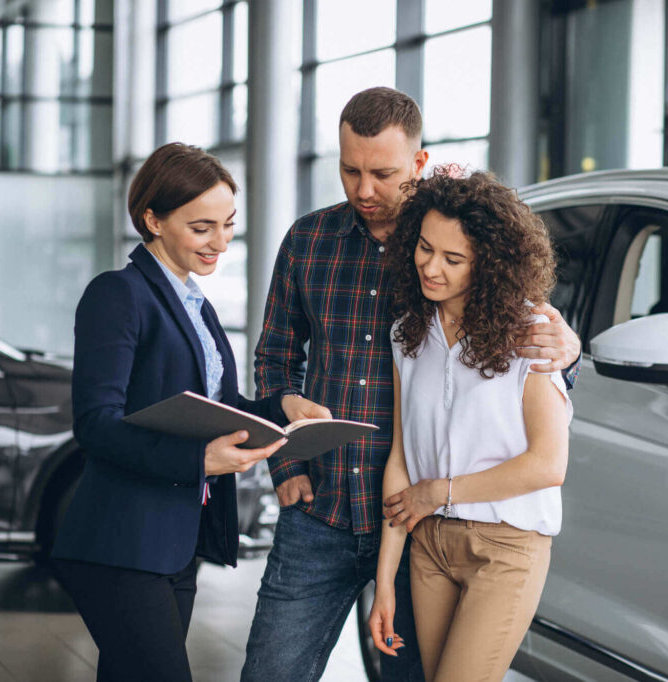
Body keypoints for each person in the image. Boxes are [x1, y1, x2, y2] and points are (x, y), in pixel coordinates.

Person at [242, 87, 581, 682]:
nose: (363, 189)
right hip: (322, 509)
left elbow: (521, 343)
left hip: (417, 525)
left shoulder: (459, 242)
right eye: (349, 170)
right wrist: (286, 467)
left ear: (419, 164)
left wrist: (570, 349)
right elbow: (273, 355)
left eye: (382, 173)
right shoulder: (309, 243)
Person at [51, 142, 302, 682]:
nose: (221, 242)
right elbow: (96, 423)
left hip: (173, 547)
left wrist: (284, 409)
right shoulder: (117, 294)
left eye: (229, 225)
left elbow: (221, 408)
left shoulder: (197, 305)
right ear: (153, 220)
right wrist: (197, 461)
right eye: (202, 227)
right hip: (119, 546)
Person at [367, 168, 571, 682]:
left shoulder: (531, 334)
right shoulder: (406, 334)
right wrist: (385, 580)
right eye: (424, 248)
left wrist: (441, 491)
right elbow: (401, 458)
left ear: (489, 266)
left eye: (453, 259)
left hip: (505, 547)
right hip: (429, 547)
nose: (431, 268)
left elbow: (548, 466)